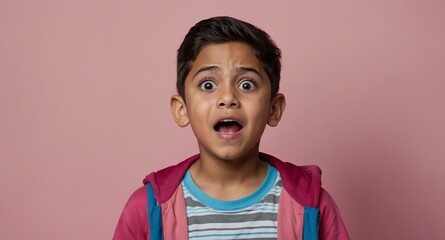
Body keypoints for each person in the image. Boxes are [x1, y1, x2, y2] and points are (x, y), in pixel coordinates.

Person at [113, 16, 349, 240]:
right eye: (208, 84)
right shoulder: (146, 208)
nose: (227, 97)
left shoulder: (313, 206)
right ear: (181, 109)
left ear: (273, 109)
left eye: (247, 84)